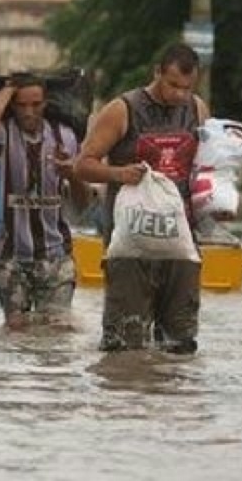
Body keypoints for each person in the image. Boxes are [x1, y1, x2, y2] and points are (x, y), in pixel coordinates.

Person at [73, 43, 209, 354]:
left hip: (181, 243)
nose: (179, 95)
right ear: (157, 73)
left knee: (180, 345)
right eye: (173, 85)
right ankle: (126, 402)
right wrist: (119, 174)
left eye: (187, 88)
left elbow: (204, 169)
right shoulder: (122, 110)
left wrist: (218, 202)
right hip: (130, 243)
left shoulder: (198, 109)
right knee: (124, 346)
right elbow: (83, 165)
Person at [0, 73, 90, 331]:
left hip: (56, 255)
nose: (29, 112)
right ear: (12, 106)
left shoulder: (65, 137)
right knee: (16, 330)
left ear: (46, 103)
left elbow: (83, 205)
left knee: (58, 331)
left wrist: (71, 173)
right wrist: (6, 92)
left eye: (36, 104)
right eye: (21, 105)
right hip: (10, 255)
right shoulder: (3, 133)